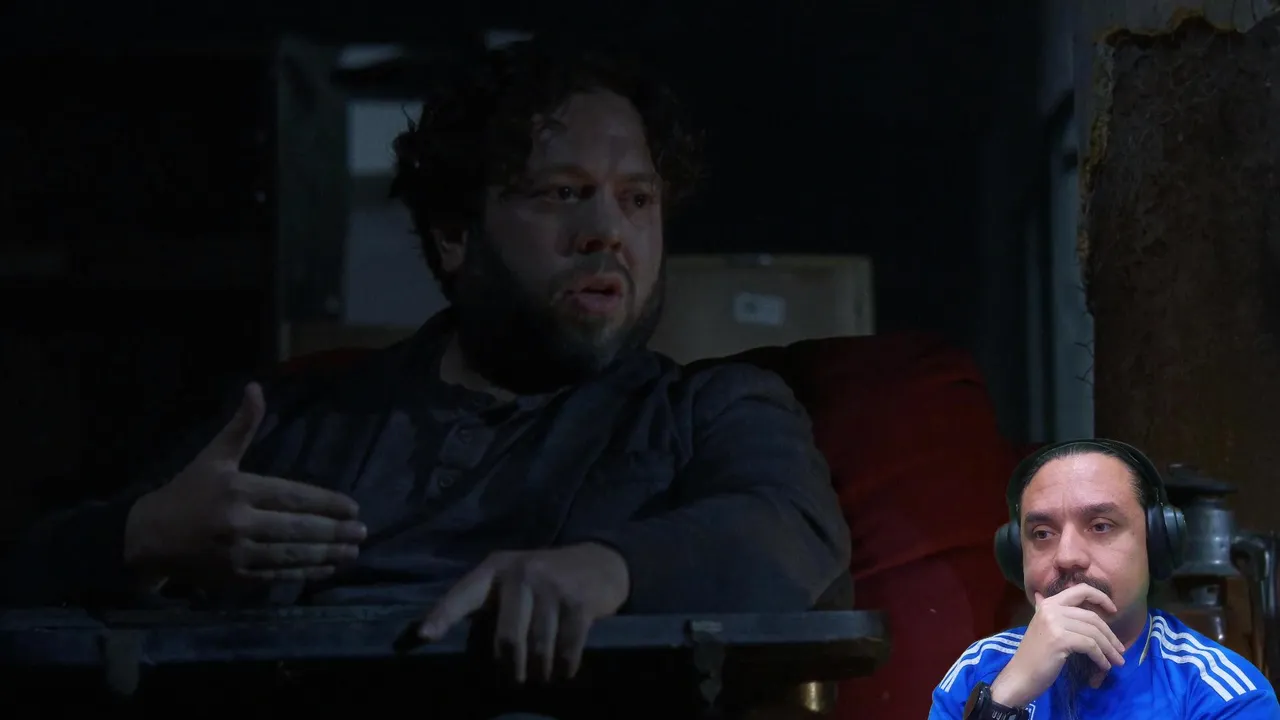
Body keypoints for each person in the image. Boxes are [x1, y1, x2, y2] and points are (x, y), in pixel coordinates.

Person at [1, 37, 852, 688]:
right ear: (453, 235)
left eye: (637, 198)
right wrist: (146, 535)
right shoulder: (299, 420)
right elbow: (28, 577)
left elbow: (787, 533)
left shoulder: (715, 409)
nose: (607, 232)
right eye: (562, 193)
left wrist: (614, 567)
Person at [929, 439, 1279, 719]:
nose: (1067, 556)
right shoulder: (978, 670)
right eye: (1042, 533)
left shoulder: (1223, 696)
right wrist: (1003, 701)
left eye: (1100, 526)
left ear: (1156, 544)